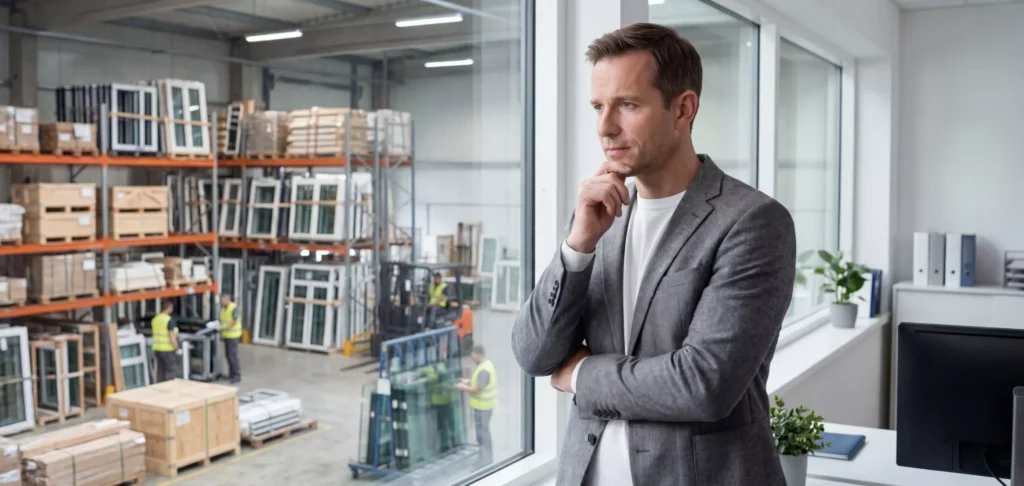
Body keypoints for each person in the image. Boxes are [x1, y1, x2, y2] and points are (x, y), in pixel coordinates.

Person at [510, 23, 796, 486]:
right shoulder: (597, 216)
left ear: (683, 108)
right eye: (598, 107)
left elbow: (703, 384)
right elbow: (533, 355)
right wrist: (577, 248)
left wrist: (580, 373)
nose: (605, 127)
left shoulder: (753, 221)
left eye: (627, 105)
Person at [457, 344, 497, 466]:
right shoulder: (486, 365)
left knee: (483, 433)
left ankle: (486, 459)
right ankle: (484, 457)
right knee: (482, 432)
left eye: (473, 355)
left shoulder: (484, 370)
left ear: (478, 355)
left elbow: (478, 389)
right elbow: (478, 381)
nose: (471, 357)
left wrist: (463, 387)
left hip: (483, 406)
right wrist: (468, 381)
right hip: (482, 406)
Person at [151, 301, 180, 382]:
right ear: (169, 308)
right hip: (168, 350)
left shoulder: (155, 319)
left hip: (157, 349)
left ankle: (160, 387)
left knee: (160, 370)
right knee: (171, 370)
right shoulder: (168, 320)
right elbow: (172, 337)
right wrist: (177, 348)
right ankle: (170, 388)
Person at [219, 293, 242, 384]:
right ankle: (231, 374)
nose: (221, 302)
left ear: (227, 300)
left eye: (222, 301)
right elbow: (222, 320)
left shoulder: (234, 308)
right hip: (226, 336)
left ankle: (236, 375)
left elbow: (234, 322)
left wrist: (223, 327)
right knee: (228, 356)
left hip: (233, 336)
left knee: (233, 356)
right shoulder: (223, 309)